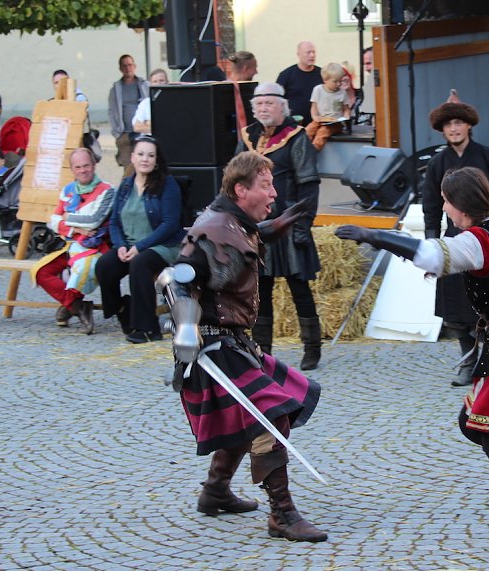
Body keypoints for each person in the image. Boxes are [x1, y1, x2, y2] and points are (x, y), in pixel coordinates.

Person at [335, 166, 489, 561]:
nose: (444, 207)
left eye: (446, 201)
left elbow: (432, 255)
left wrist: (375, 236)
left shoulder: (477, 240)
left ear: (460, 206)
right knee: (474, 424)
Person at [160, 150, 326, 543]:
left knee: (248, 415)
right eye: (266, 186)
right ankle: (282, 514)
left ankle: (215, 491)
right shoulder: (213, 228)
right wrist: (186, 333)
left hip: (235, 343)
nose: (274, 194)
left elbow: (239, 243)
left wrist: (270, 228)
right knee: (268, 416)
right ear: (240, 189)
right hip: (212, 348)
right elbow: (174, 278)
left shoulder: (233, 223)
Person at [422, 95, 489, 387]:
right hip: (453, 240)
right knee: (456, 307)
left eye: (458, 122)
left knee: (487, 303)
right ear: (442, 130)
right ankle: (468, 360)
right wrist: (431, 245)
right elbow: (430, 205)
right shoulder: (438, 163)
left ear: (468, 126)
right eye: (448, 124)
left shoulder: (488, 157)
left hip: (487, 240)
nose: (454, 129)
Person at [236, 83, 322, 370]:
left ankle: (312, 348)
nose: (263, 108)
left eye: (269, 103)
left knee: (300, 288)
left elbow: (308, 184)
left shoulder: (296, 138)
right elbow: (235, 179)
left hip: (288, 224)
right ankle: (263, 351)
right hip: (256, 226)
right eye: (259, 104)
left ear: (282, 107)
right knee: (260, 289)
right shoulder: (248, 137)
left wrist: (301, 226)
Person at [95, 135, 185, 343]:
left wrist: (140, 247)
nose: (145, 159)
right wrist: (119, 246)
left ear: (156, 160)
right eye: (141, 154)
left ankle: (148, 329)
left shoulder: (167, 185)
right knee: (104, 266)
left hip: (163, 245)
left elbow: (170, 224)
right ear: (133, 158)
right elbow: (115, 222)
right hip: (129, 246)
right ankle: (122, 309)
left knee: (140, 264)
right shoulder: (126, 186)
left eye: (151, 155)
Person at [31, 148, 114, 334]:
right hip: (69, 246)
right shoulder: (68, 190)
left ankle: (70, 306)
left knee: (85, 269)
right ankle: (77, 306)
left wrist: (66, 217)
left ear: (94, 165)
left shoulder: (107, 190)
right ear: (72, 169)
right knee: (41, 272)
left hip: (94, 248)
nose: (83, 170)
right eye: (78, 167)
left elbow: (94, 220)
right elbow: (52, 221)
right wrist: (76, 228)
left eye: (86, 165)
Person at [107, 55, 149, 177]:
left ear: (134, 66)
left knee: (144, 165)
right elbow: (111, 111)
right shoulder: (116, 89)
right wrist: (116, 133)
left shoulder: (143, 85)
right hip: (124, 134)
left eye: (130, 65)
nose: (127, 68)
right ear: (120, 68)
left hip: (142, 132)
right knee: (128, 169)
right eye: (124, 65)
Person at [305, 62, 351, 151]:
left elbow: (346, 109)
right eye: (335, 81)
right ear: (325, 80)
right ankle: (302, 146)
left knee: (323, 131)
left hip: (335, 122)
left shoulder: (342, 93)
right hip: (321, 119)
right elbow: (314, 106)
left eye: (340, 81)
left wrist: (346, 116)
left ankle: (314, 149)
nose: (338, 84)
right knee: (309, 129)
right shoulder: (318, 90)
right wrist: (315, 117)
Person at [276, 41, 322, 125]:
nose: (312, 55)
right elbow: (278, 101)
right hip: (293, 125)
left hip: (318, 124)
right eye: (308, 52)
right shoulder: (286, 75)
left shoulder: (322, 74)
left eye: (313, 52)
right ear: (299, 54)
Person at [132, 69, 169, 135]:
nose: (158, 84)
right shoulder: (145, 103)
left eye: (161, 80)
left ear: (167, 82)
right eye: (155, 81)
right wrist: (162, 127)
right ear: (151, 84)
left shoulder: (174, 101)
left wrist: (148, 123)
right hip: (149, 140)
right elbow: (137, 127)